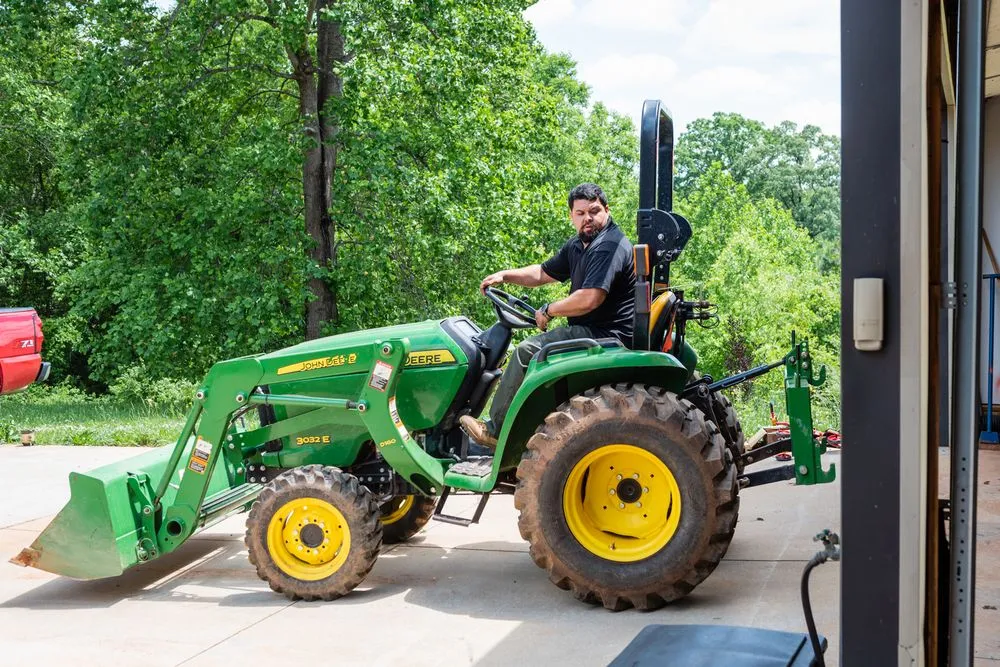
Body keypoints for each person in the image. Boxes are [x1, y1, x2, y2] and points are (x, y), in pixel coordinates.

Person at [460, 183, 636, 447]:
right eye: (580, 213)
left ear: (606, 210)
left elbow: (590, 298)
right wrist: (506, 275)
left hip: (607, 335)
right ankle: (522, 433)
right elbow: (543, 273)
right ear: (571, 216)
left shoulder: (609, 245)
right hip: (593, 330)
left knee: (526, 351)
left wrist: (549, 310)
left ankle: (495, 430)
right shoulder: (580, 245)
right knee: (534, 351)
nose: (587, 218)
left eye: (594, 211)